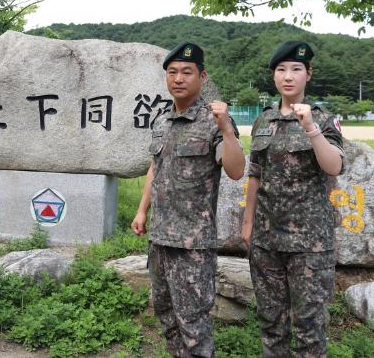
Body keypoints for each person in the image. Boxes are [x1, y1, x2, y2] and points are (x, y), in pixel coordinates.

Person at [131, 42, 245, 357]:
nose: (178, 78)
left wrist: (227, 131)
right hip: (159, 239)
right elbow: (156, 169)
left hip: (192, 246)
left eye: (186, 72)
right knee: (167, 319)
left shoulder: (214, 121)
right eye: (172, 72)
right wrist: (142, 211)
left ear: (202, 76)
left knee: (193, 326)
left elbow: (236, 171)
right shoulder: (161, 121)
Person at [241, 41, 344, 357]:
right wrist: (247, 224)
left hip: (309, 245)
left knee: (309, 329)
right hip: (266, 241)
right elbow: (255, 174)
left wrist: (311, 128)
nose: (288, 76)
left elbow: (335, 166)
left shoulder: (323, 119)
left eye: (296, 69)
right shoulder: (264, 120)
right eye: (281, 70)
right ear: (274, 76)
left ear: (308, 74)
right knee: (271, 325)